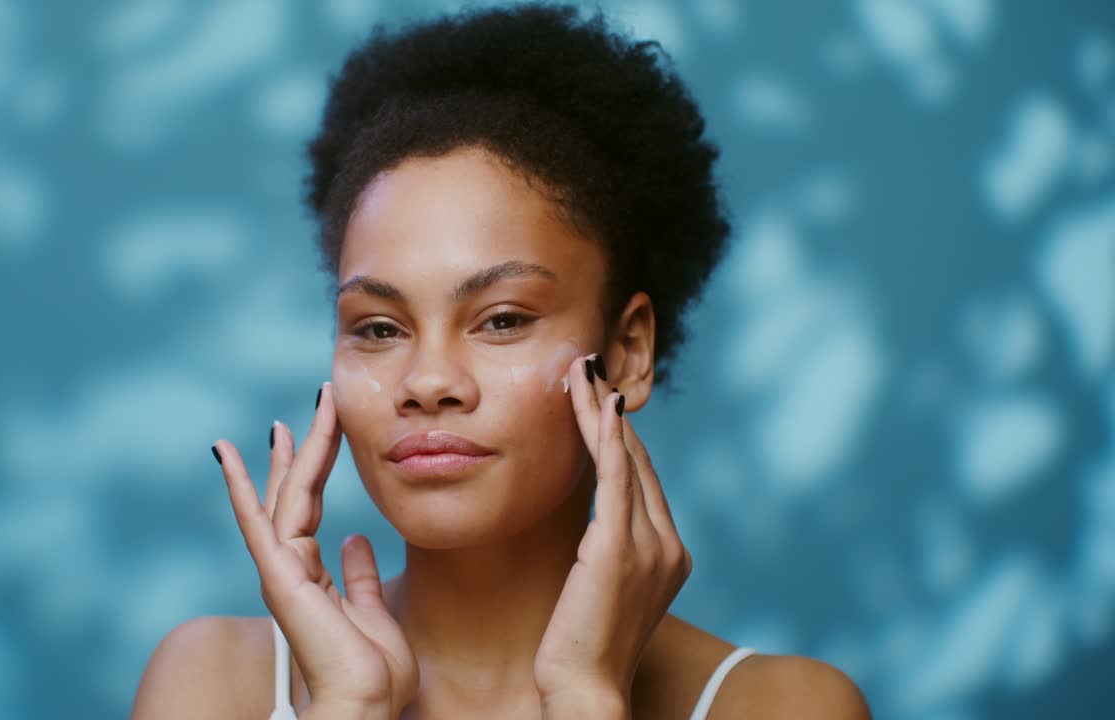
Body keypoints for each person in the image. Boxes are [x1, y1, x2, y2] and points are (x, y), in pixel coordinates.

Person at [132, 3, 872, 718]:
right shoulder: (212, 684)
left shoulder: (781, 707)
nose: (427, 384)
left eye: (502, 320)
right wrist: (347, 710)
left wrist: (587, 700)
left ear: (629, 351)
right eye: (380, 329)